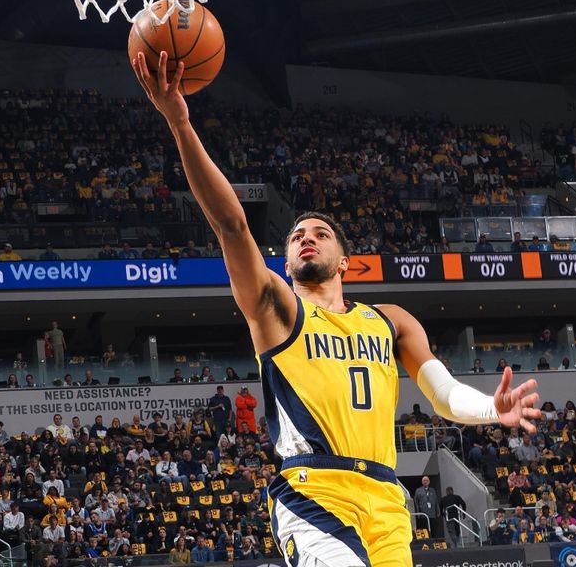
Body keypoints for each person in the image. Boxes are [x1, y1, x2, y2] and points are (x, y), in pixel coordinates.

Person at [131, 51, 541, 567]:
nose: (307, 239)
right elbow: (232, 226)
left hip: (388, 500)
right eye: (297, 235)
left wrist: (490, 410)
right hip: (313, 491)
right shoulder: (277, 309)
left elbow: (444, 394)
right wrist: (180, 121)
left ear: (345, 260)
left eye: (320, 234)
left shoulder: (391, 320)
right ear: (283, 258)